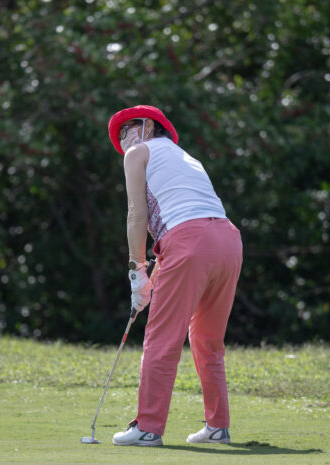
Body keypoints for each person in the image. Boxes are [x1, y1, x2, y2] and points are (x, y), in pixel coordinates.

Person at [107, 105, 243, 447]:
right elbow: (184, 220)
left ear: (148, 126)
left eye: (127, 128)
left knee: (161, 338)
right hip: (228, 241)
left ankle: (148, 428)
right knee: (208, 340)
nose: (124, 138)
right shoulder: (187, 158)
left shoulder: (138, 153)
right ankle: (218, 427)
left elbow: (137, 215)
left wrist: (136, 269)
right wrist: (149, 275)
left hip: (188, 241)